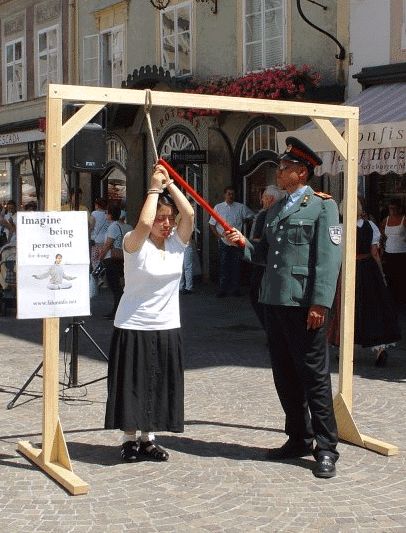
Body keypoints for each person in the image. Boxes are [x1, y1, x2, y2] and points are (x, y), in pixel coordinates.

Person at [226, 137, 342, 479]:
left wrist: (320, 302)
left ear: (302, 173)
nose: (279, 171)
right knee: (285, 375)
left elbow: (328, 259)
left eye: (285, 167)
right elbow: (265, 256)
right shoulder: (275, 209)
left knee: (315, 378)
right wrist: (243, 243)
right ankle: (298, 437)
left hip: (305, 305)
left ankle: (326, 447)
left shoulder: (323, 207)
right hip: (274, 302)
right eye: (281, 166)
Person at [104, 164, 194, 463]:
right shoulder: (134, 243)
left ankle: (148, 438)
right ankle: (130, 439)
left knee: (157, 385)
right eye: (161, 219)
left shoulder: (176, 245)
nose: (166, 224)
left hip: (167, 326)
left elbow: (190, 214)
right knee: (133, 386)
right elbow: (143, 225)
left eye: (169, 219)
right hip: (134, 324)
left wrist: (170, 185)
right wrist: (154, 188)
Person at [329, 198, 401, 366]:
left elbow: (335, 256)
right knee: (373, 308)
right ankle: (379, 350)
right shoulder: (370, 226)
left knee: (346, 309)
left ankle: (344, 350)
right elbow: (374, 252)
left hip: (348, 270)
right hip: (368, 270)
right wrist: (381, 274)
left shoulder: (338, 229)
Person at [249, 185, 285, 328]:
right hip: (274, 263)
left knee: (258, 296)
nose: (261, 201)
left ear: (269, 199)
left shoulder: (265, 215)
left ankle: (270, 328)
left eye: (263, 198)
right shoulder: (280, 213)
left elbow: (257, 240)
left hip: (262, 264)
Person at [209, 186, 254, 297]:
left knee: (236, 266)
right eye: (228, 194)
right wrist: (218, 236)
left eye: (232, 194)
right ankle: (222, 289)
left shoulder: (240, 207)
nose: (230, 196)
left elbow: (252, 216)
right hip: (224, 241)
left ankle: (235, 289)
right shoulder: (218, 207)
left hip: (237, 242)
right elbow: (211, 224)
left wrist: (246, 222)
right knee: (224, 265)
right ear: (224, 195)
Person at [97, 204, 127, 319]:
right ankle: (119, 311)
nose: (105, 214)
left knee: (115, 287)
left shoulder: (113, 226)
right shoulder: (122, 225)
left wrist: (101, 256)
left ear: (110, 215)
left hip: (112, 259)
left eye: (107, 212)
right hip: (120, 259)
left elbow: (108, 244)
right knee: (119, 286)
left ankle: (116, 312)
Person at [380, 198, 406, 305]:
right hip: (388, 253)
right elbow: (380, 232)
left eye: (395, 208)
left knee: (401, 277)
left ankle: (402, 299)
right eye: (391, 208)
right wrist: (383, 244)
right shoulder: (385, 220)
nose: (393, 211)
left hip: (402, 253)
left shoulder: (404, 219)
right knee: (390, 277)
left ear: (399, 209)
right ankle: (392, 300)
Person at [89, 197, 109, 271]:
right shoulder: (108, 214)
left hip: (96, 242)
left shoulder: (94, 214)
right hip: (106, 242)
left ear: (97, 205)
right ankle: (103, 276)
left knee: (95, 260)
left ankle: (97, 277)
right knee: (103, 260)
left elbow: (91, 227)